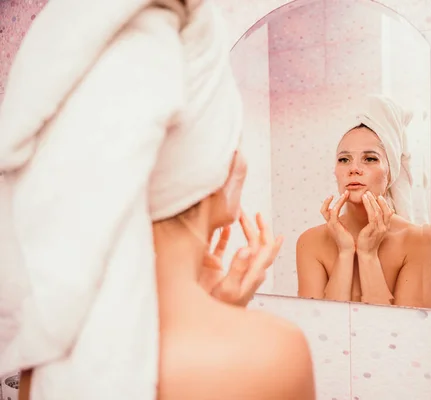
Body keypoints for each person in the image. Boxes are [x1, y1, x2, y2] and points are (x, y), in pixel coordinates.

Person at [0, 1, 315, 399]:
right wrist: (223, 318)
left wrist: (220, 308)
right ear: (214, 173)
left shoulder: (47, 356)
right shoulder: (272, 356)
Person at [296, 95, 431, 308]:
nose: (354, 169)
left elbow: (398, 331)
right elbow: (323, 323)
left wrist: (368, 256)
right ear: (336, 172)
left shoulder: (419, 239)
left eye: (370, 159)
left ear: (390, 172)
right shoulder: (311, 241)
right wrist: (345, 252)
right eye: (344, 159)